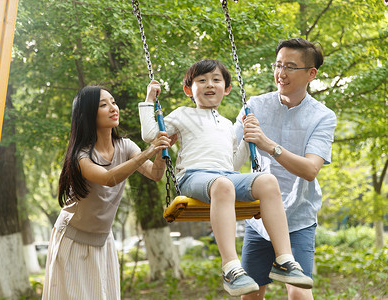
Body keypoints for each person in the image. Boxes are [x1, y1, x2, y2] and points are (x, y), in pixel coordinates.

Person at [139, 59, 313, 297]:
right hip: (193, 177)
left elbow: (232, 164)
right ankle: (231, 268)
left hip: (226, 176)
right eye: (202, 80)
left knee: (267, 181)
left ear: (227, 88)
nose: (209, 84)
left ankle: (284, 260)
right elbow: (150, 134)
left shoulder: (227, 124)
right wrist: (150, 100)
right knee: (222, 185)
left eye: (216, 80)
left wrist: (247, 138)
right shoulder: (182, 115)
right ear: (189, 90)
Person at [42, 85, 173, 299]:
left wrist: (160, 154)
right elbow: (107, 178)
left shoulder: (126, 146)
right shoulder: (81, 156)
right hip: (73, 239)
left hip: (103, 239)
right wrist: (150, 150)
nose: (113, 108)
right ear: (88, 115)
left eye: (113, 102)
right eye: (103, 105)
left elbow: (155, 174)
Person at [235, 38, 337, 300]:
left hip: (298, 218)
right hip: (259, 218)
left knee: (300, 293)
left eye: (290, 66)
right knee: (251, 294)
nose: (281, 73)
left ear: (311, 74)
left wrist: (268, 144)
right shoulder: (255, 106)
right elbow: (230, 156)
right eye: (278, 65)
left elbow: (310, 170)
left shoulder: (323, 116)